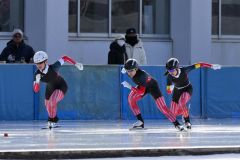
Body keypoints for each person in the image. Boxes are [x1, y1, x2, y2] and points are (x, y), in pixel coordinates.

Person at [121, 58, 184, 131]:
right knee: (131, 98)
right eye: (128, 71)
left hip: (153, 87)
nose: (130, 73)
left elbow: (141, 92)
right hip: (143, 85)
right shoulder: (131, 71)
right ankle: (140, 121)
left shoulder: (141, 76)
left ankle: (177, 124)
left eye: (131, 70)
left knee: (162, 108)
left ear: (136, 69)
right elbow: (128, 68)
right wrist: (124, 69)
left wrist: (130, 87)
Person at [165, 58, 221, 129]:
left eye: (172, 70)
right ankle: (181, 117)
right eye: (169, 71)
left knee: (182, 102)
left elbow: (199, 64)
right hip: (177, 92)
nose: (171, 72)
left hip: (187, 89)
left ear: (177, 68)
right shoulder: (169, 76)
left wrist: (211, 66)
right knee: (173, 113)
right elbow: (168, 92)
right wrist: (170, 88)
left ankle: (187, 121)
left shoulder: (185, 70)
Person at [33, 51, 83, 129]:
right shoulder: (37, 74)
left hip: (61, 86)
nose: (38, 65)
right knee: (47, 104)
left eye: (40, 63)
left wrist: (75, 64)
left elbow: (65, 58)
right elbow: (36, 90)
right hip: (50, 88)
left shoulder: (54, 67)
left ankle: (52, 121)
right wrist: (37, 81)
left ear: (46, 61)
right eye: (36, 63)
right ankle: (52, 120)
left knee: (52, 101)